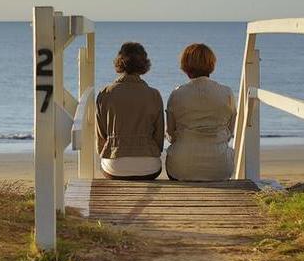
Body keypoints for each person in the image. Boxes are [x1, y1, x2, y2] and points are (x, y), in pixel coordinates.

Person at [165, 43, 236, 181]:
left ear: (185, 65)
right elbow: (229, 132)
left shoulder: (177, 94)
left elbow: (170, 134)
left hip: (182, 168)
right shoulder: (227, 93)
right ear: (211, 64)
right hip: (220, 168)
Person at [96, 42, 164, 180]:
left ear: (119, 62)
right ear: (144, 64)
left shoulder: (105, 93)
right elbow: (159, 137)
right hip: (148, 167)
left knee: (106, 165)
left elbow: (100, 136)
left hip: (115, 167)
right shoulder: (154, 94)